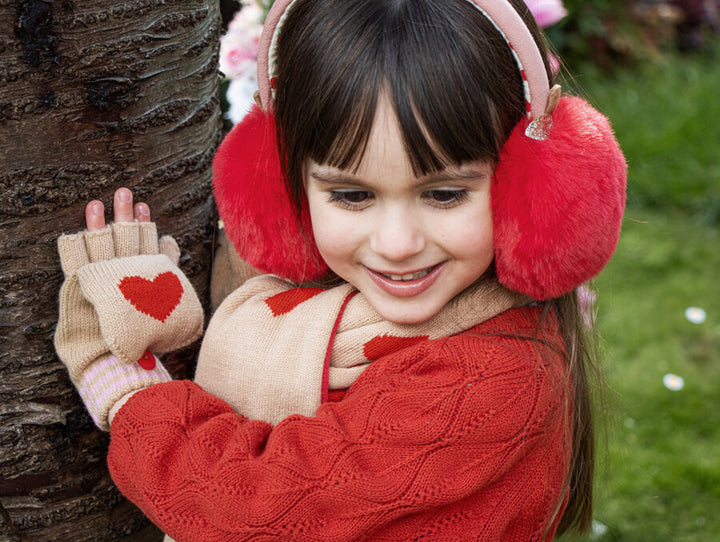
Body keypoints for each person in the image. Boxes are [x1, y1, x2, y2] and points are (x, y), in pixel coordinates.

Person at [53, 0, 627, 540]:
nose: (397, 244)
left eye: (446, 193)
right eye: (352, 195)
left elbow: (252, 512)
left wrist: (128, 394)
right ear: (283, 191)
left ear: (536, 191)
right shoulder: (349, 317)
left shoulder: (488, 379)